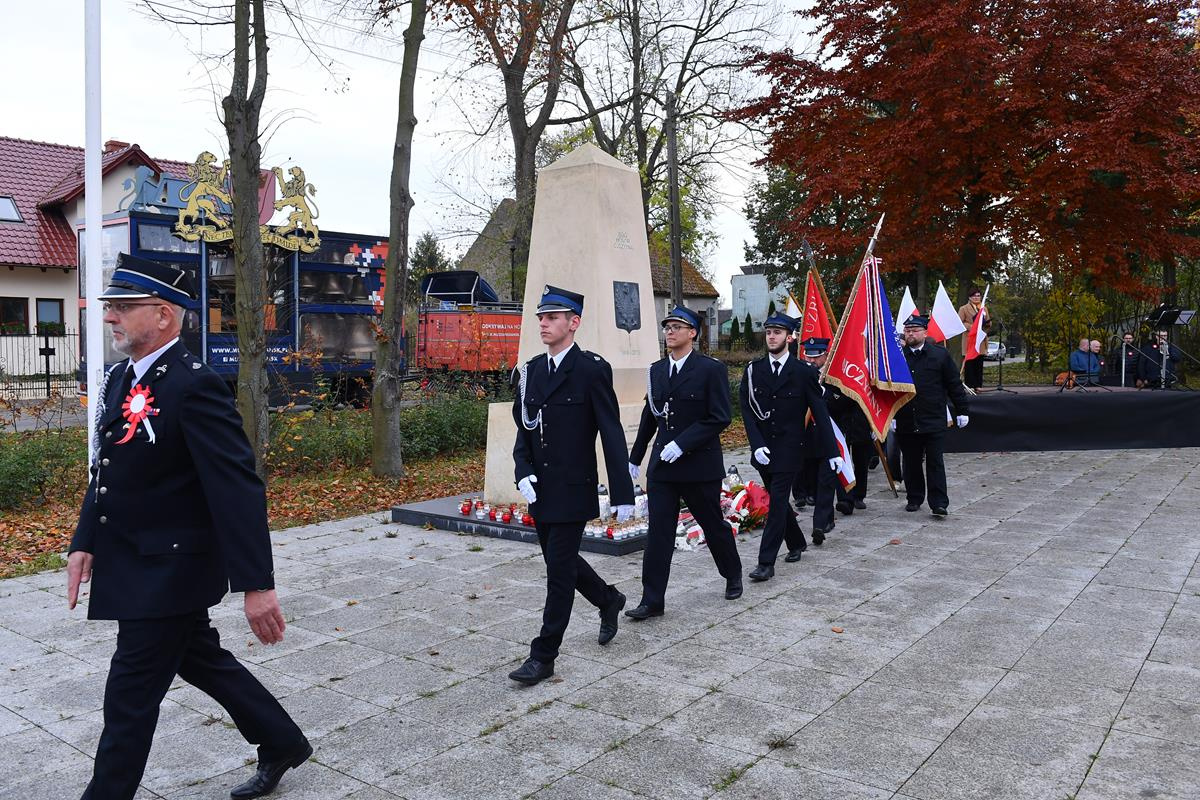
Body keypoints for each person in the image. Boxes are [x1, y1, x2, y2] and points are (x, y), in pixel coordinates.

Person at [67, 254, 310, 800]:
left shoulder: (193, 386)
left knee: (128, 697)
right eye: (110, 307)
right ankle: (282, 741)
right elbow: (107, 468)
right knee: (201, 660)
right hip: (135, 559)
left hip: (171, 570)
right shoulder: (121, 379)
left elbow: (237, 488)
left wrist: (257, 584)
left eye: (123, 307)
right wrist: (86, 541)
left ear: (163, 315)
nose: (109, 317)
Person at [509, 285, 635, 685]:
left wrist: (623, 492)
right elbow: (525, 430)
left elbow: (611, 432)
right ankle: (609, 599)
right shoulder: (531, 371)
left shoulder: (591, 369)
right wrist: (522, 469)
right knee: (559, 562)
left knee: (559, 575)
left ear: (573, 322)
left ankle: (543, 656)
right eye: (541, 318)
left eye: (552, 317)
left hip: (573, 488)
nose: (543, 324)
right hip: (541, 489)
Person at [626, 306, 742, 620]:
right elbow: (650, 414)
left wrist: (682, 443)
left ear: (693, 333)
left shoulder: (710, 369)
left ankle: (732, 572)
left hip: (698, 465)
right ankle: (652, 600)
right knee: (659, 533)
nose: (670, 332)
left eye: (677, 327)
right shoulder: (656, 370)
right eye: (667, 327)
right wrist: (635, 457)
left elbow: (720, 416)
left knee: (712, 524)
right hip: (663, 468)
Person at [739, 314, 841, 580]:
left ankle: (766, 563)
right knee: (779, 502)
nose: (771, 337)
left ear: (790, 337)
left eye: (777, 332)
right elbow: (747, 411)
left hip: (790, 450)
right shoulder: (754, 370)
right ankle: (796, 542)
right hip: (763, 451)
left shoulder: (803, 372)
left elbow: (820, 412)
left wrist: (833, 451)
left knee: (776, 504)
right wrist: (756, 445)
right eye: (768, 332)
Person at [895, 314, 970, 517]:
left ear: (924, 333)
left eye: (915, 330)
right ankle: (914, 498)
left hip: (933, 417)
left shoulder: (939, 355)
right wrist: (891, 416)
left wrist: (962, 410)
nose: (910, 334)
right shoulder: (898, 357)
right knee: (911, 462)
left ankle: (939, 503)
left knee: (935, 462)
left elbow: (953, 384)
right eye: (907, 331)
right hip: (906, 418)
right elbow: (889, 389)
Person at [796, 337, 839, 542]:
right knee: (811, 480)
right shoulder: (800, 375)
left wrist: (824, 394)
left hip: (829, 436)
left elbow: (846, 402)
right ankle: (825, 515)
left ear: (826, 355)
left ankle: (820, 524)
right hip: (806, 437)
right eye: (808, 356)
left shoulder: (834, 376)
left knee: (826, 481)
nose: (812, 361)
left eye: (816, 357)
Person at [957, 287, 991, 390]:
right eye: (974, 296)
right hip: (969, 338)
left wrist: (987, 324)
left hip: (980, 339)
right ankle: (970, 385)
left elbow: (988, 321)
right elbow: (960, 322)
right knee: (970, 363)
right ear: (969, 297)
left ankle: (978, 385)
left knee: (979, 362)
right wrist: (972, 327)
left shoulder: (984, 308)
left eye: (978, 296)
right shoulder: (963, 308)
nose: (976, 298)